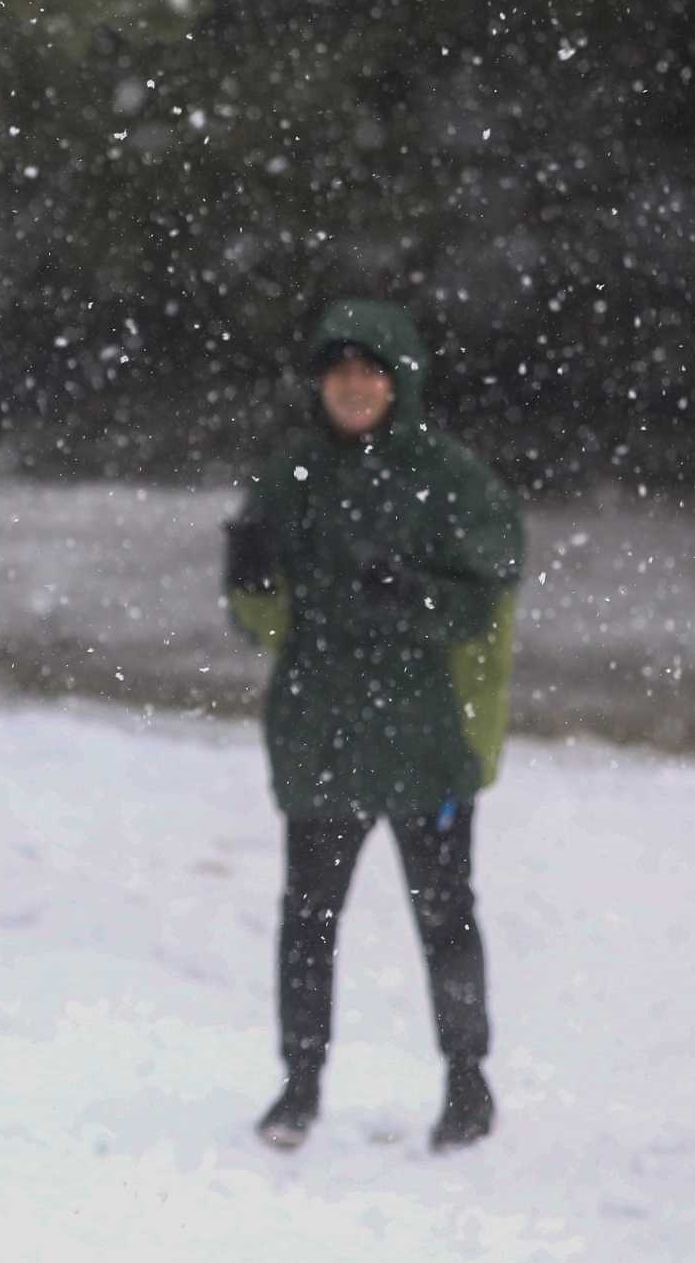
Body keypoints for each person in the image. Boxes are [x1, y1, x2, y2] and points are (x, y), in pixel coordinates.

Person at [223, 299, 525, 1154]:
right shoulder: (291, 477)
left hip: (426, 739)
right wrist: (249, 581)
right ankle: (300, 1085)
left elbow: (489, 592)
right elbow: (262, 625)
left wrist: (417, 596)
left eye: (370, 371)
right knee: (308, 918)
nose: (354, 387)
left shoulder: (452, 476)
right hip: (321, 736)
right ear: (320, 382)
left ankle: (468, 1083)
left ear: (400, 381)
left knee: (445, 918)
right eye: (339, 372)